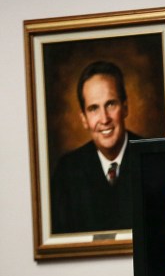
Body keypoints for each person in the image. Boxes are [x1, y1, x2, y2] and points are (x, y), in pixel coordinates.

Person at [51, 60, 140, 233]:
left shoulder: (153, 158)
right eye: (93, 108)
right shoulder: (66, 172)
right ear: (84, 118)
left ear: (125, 107)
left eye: (110, 104)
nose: (104, 118)